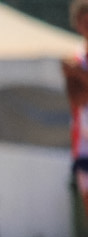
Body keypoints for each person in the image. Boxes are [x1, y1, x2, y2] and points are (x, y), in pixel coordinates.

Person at [63, 0, 88, 222]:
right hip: (84, 142)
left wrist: (79, 75)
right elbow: (77, 98)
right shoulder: (74, 59)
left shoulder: (75, 67)